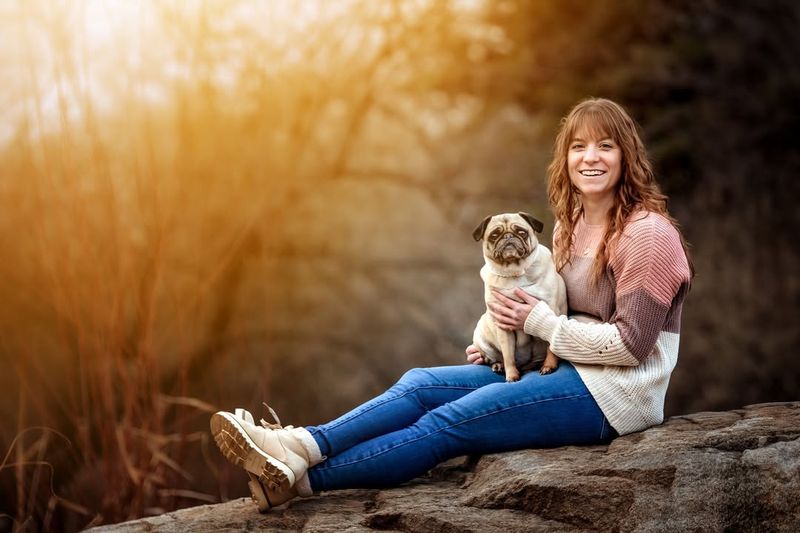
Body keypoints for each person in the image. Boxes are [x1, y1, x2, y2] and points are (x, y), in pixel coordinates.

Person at [209, 97, 693, 511]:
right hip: (560, 366)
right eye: (578, 146)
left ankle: (298, 482)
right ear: (564, 158)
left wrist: (540, 324)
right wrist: (503, 340)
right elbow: (542, 307)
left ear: (626, 155)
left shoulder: (647, 235)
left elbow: (631, 346)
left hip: (615, 395)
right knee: (419, 384)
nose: (590, 157)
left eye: (605, 146)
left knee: (449, 423)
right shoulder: (570, 225)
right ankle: (299, 445)